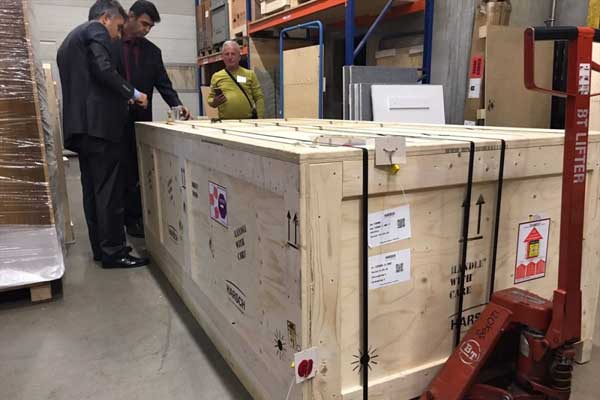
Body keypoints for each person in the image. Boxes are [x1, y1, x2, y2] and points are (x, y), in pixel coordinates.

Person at [57, 0, 149, 268]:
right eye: (118, 27)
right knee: (109, 191)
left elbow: (89, 80)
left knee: (93, 191)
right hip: (100, 128)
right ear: (106, 18)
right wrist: (133, 93)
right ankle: (115, 252)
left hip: (82, 129)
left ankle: (102, 248)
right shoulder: (95, 30)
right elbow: (104, 68)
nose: (118, 36)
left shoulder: (68, 42)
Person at [116, 0, 191, 238]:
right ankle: (117, 219)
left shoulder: (152, 52)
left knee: (137, 169)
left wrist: (177, 105)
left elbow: (163, 84)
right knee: (117, 170)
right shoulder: (110, 43)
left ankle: (135, 218)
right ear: (130, 16)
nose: (146, 30)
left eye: (150, 27)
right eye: (144, 24)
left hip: (140, 120)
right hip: (113, 119)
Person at [207, 41, 265, 120]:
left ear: (239, 57)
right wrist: (214, 102)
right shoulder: (216, 76)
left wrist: (260, 118)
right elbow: (210, 99)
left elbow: (258, 97)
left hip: (247, 121)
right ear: (222, 57)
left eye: (233, 54)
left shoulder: (250, 74)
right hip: (226, 122)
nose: (230, 57)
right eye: (227, 54)